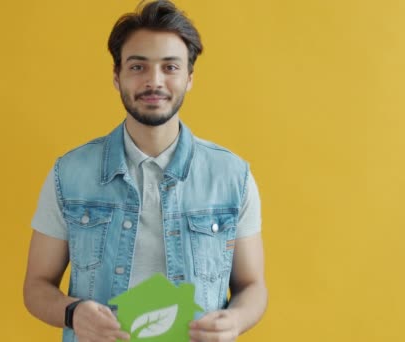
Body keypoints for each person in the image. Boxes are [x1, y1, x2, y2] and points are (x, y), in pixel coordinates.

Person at [23, 1, 267, 341]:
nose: (154, 81)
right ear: (116, 75)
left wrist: (236, 320)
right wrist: (72, 313)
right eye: (138, 67)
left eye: (170, 67)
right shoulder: (70, 174)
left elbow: (253, 286)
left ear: (189, 77)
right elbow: (36, 286)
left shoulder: (232, 177)